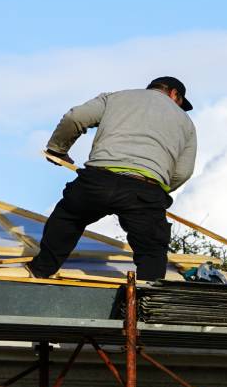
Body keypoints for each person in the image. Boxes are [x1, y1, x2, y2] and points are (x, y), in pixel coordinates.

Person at [26, 76, 197, 281]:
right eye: (180, 102)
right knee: (151, 251)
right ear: (174, 94)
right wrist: (157, 191)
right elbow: (184, 171)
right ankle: (146, 302)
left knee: (68, 218)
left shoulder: (116, 98)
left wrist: (58, 149)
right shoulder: (186, 123)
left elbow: (75, 117)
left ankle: (40, 270)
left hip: (98, 179)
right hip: (145, 188)